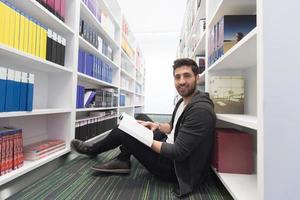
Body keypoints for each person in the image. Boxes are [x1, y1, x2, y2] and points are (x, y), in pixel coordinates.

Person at [71, 58, 216, 198]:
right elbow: (174, 127)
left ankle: (94, 150)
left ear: (197, 77)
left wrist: (143, 137)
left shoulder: (200, 110)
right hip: (170, 144)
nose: (181, 81)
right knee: (141, 118)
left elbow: (178, 152)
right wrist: (156, 125)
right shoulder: (184, 102)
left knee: (125, 130)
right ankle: (123, 159)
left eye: (187, 76)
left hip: (175, 168)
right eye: (177, 77)